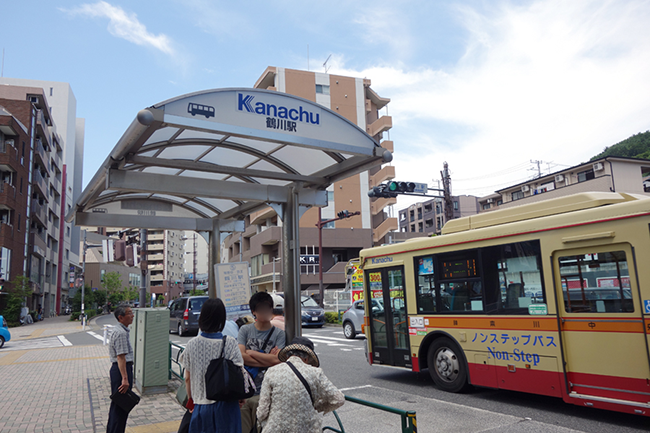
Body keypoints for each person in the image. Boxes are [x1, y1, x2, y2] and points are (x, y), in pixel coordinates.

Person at [257, 337, 344, 432]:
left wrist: (261, 422)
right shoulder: (315, 372)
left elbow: (262, 411)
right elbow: (339, 399)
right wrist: (317, 406)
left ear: (287, 355)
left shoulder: (272, 371)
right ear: (307, 358)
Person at [181, 298, 243, 433]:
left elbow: (187, 378)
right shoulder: (230, 343)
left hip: (201, 407)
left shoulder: (192, 344)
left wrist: (191, 399)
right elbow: (240, 373)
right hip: (227, 406)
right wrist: (240, 397)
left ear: (202, 318)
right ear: (222, 318)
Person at [238, 292, 285, 433]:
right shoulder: (245, 330)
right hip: (245, 392)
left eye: (268, 308)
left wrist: (251, 353)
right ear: (253, 311)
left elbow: (278, 360)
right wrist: (267, 360)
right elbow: (240, 356)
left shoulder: (279, 334)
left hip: (267, 393)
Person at [106, 306, 135, 433]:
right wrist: (125, 379)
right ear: (121, 317)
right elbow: (121, 357)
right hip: (121, 371)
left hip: (118, 370)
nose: (132, 315)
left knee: (117, 406)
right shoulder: (121, 333)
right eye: (129, 313)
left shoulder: (120, 330)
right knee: (121, 407)